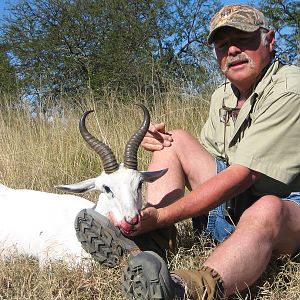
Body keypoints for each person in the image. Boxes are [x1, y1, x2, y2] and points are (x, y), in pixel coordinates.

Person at [75, 4, 300, 299]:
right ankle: (149, 241)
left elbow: (243, 176)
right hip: (236, 207)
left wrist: (165, 214)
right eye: (222, 45)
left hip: (285, 214)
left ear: (269, 41)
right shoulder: (224, 94)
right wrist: (160, 142)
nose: (232, 50)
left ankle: (184, 289)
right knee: (175, 140)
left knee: (268, 206)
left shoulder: (290, 88)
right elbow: (211, 160)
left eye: (243, 39)